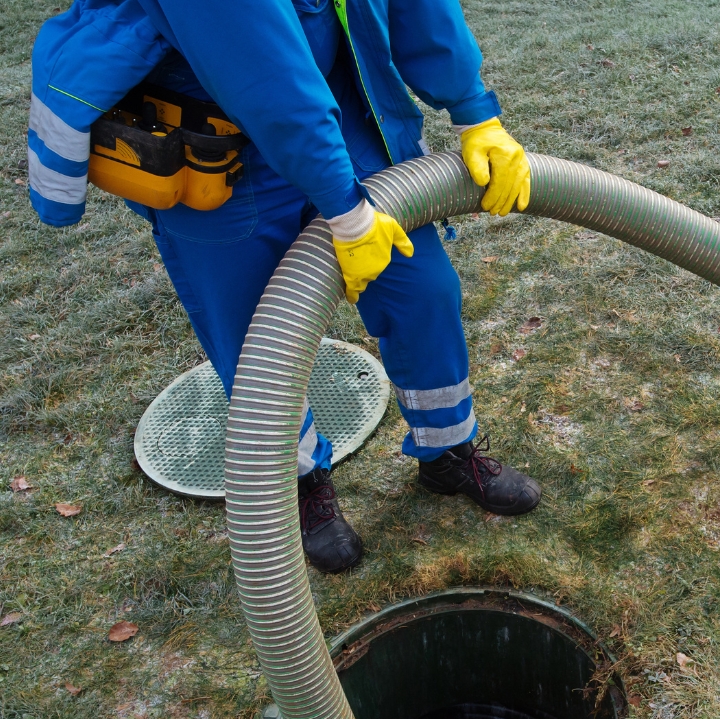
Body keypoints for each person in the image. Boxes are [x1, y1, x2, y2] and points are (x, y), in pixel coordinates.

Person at [27, 0, 541, 574]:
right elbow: (258, 63)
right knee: (255, 339)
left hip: (337, 108)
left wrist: (474, 110)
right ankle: (304, 483)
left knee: (422, 289)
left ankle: (447, 450)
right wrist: (344, 211)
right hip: (210, 133)